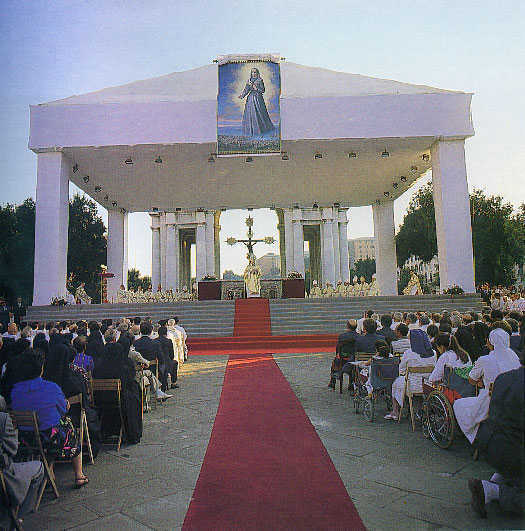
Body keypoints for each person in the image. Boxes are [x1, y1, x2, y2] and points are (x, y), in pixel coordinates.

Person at [10, 348, 88, 488]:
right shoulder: (51, 388)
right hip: (51, 440)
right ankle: (79, 475)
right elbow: (63, 409)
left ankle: (49, 471)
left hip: (26, 440)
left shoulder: (16, 391)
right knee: (68, 427)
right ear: (41, 368)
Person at [468, 367, 524, 518]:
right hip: (512, 450)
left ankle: (499, 479)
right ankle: (491, 491)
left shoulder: (503, 377)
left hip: (487, 441)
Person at [453, 328, 521, 444]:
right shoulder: (515, 357)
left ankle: (474, 435)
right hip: (515, 399)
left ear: (491, 342)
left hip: (490, 402)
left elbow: (471, 379)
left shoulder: (485, 360)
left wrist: (481, 382)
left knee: (459, 404)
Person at [92, 339, 143, 444]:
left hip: (99, 400)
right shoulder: (123, 366)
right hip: (119, 400)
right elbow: (129, 381)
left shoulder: (97, 367)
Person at [0, 411, 45, 523]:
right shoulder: (3, 419)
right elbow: (13, 449)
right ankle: (18, 517)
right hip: (5, 473)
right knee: (39, 467)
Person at [387, 329, 436, 420]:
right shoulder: (433, 353)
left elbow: (401, 370)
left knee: (395, 384)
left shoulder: (409, 353)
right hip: (429, 385)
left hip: (412, 385)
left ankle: (395, 411)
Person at [238, 67, 274, 137]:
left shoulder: (260, 80)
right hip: (251, 98)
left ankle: (261, 128)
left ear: (257, 73)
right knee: (250, 112)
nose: (253, 74)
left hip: (258, 98)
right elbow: (246, 89)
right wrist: (242, 95)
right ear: (251, 73)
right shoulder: (249, 80)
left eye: (255, 72)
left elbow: (263, 90)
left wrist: (256, 88)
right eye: (252, 72)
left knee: (260, 112)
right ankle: (251, 129)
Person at [328, 320, 358, 389]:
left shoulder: (342, 336)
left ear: (347, 326)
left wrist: (338, 355)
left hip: (343, 358)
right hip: (354, 358)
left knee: (334, 362)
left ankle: (332, 381)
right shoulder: (359, 336)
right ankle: (351, 383)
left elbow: (338, 348)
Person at [156, 326, 179, 390]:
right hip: (166, 362)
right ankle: (173, 382)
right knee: (175, 363)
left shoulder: (155, 341)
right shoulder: (168, 341)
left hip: (157, 362)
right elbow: (172, 355)